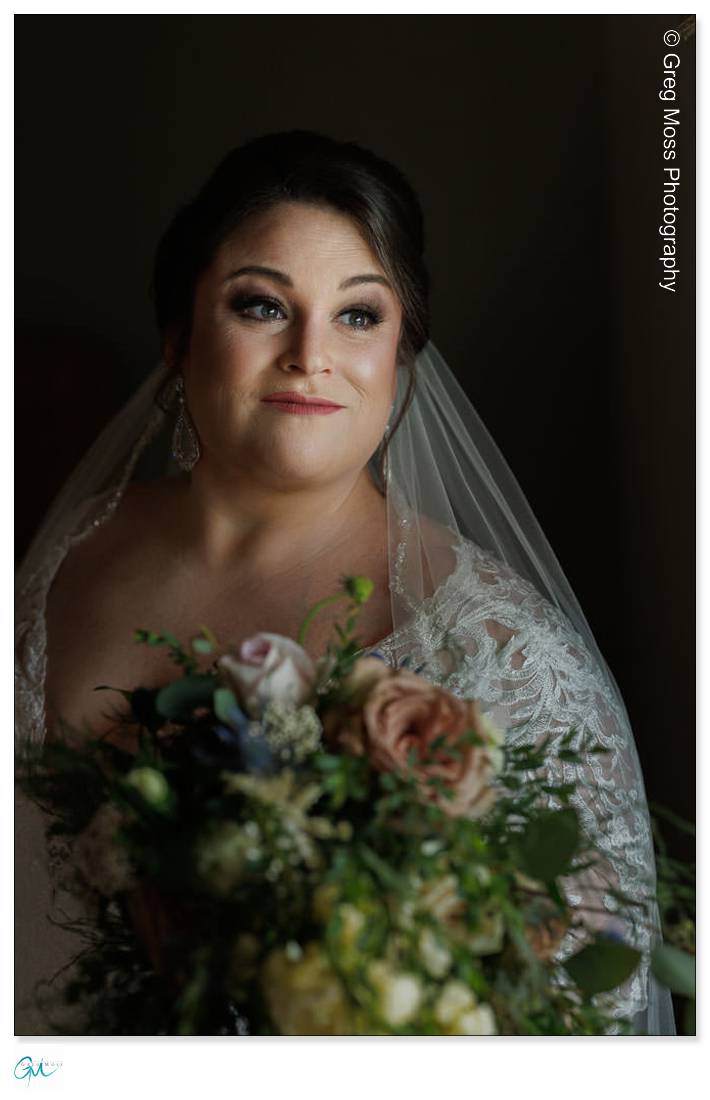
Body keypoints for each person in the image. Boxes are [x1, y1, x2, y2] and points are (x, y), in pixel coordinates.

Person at [15, 130, 675, 1036]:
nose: (310, 354)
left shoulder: (504, 654)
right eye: (260, 306)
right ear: (178, 337)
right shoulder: (60, 561)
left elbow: (592, 1010)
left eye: (359, 315)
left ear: (402, 351)